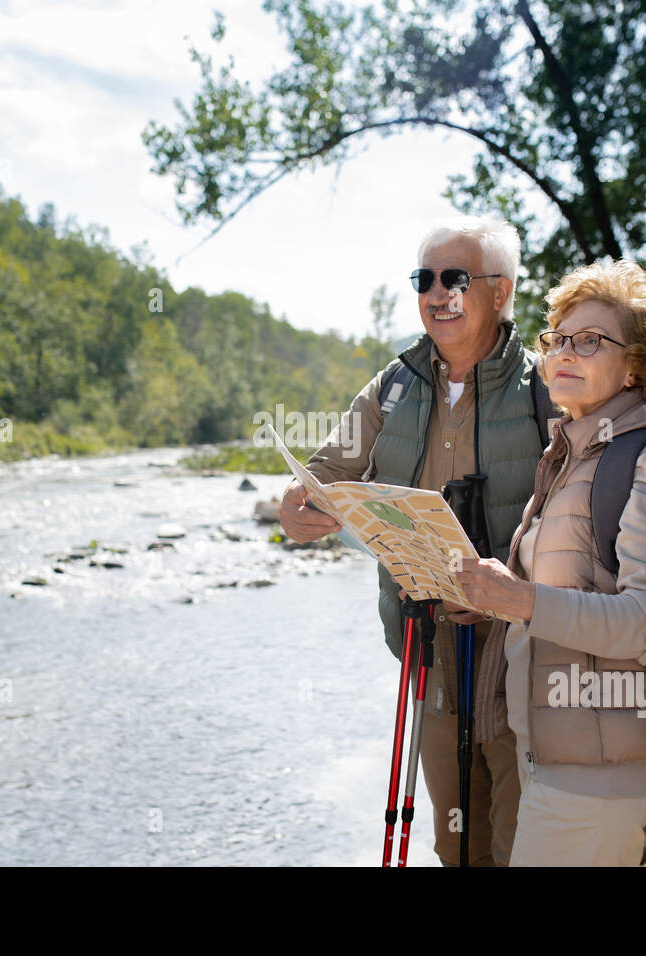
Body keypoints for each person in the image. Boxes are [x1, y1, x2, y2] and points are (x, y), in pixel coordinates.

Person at [279, 215, 550, 866]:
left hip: (528, 663)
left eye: (454, 278)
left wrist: (509, 588)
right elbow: (325, 473)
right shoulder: (391, 387)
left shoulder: (550, 390)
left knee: (524, 846)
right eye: (423, 279)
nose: (436, 293)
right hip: (427, 656)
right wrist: (298, 508)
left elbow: (591, 522)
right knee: (455, 845)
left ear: (501, 292)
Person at [454, 257, 646, 866]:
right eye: (557, 340)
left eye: (590, 340)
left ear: (636, 363)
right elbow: (558, 601)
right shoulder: (574, 455)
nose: (563, 353)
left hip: (598, 772)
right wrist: (488, 600)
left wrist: (520, 600)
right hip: (551, 754)